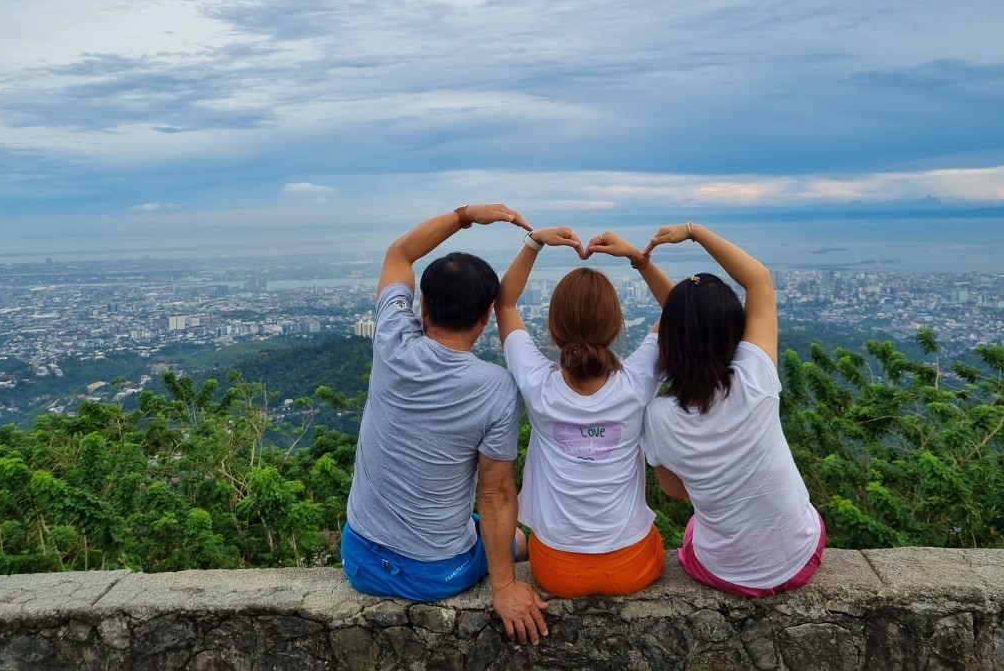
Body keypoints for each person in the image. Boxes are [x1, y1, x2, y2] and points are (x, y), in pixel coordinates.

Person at [341, 205, 550, 644]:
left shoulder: (392, 341)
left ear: (422, 304)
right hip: (437, 574)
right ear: (486, 317)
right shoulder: (496, 388)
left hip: (358, 558)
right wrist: (506, 587)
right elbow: (494, 493)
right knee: (517, 540)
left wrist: (465, 215)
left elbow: (400, 253)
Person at [638, 221, 825, 596]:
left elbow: (676, 491)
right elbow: (758, 280)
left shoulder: (658, 417)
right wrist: (693, 231)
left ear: (668, 339)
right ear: (734, 329)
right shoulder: (756, 375)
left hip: (726, 572)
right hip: (802, 557)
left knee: (695, 528)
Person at [494, 227, 673, 597]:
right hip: (632, 565)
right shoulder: (636, 380)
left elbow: (505, 303)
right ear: (616, 325)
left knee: (522, 541)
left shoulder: (537, 384)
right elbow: (683, 309)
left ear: (554, 328)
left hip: (557, 571)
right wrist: (638, 258)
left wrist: (535, 242)